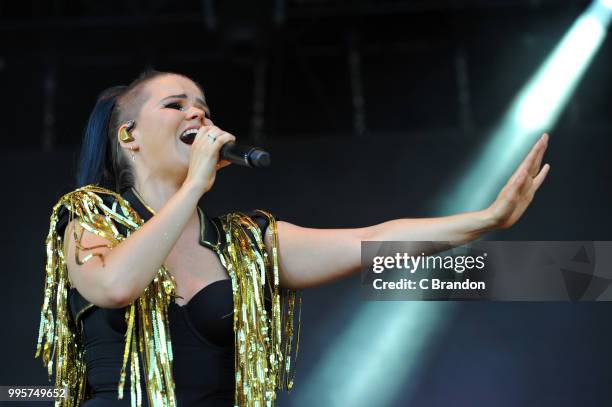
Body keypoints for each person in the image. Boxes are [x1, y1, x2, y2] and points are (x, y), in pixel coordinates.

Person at [35, 70, 550, 407]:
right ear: (129, 136)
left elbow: (374, 239)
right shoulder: (88, 218)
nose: (199, 114)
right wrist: (193, 184)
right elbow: (117, 286)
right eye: (176, 105)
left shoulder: (245, 245)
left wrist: (487, 219)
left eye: (204, 107)